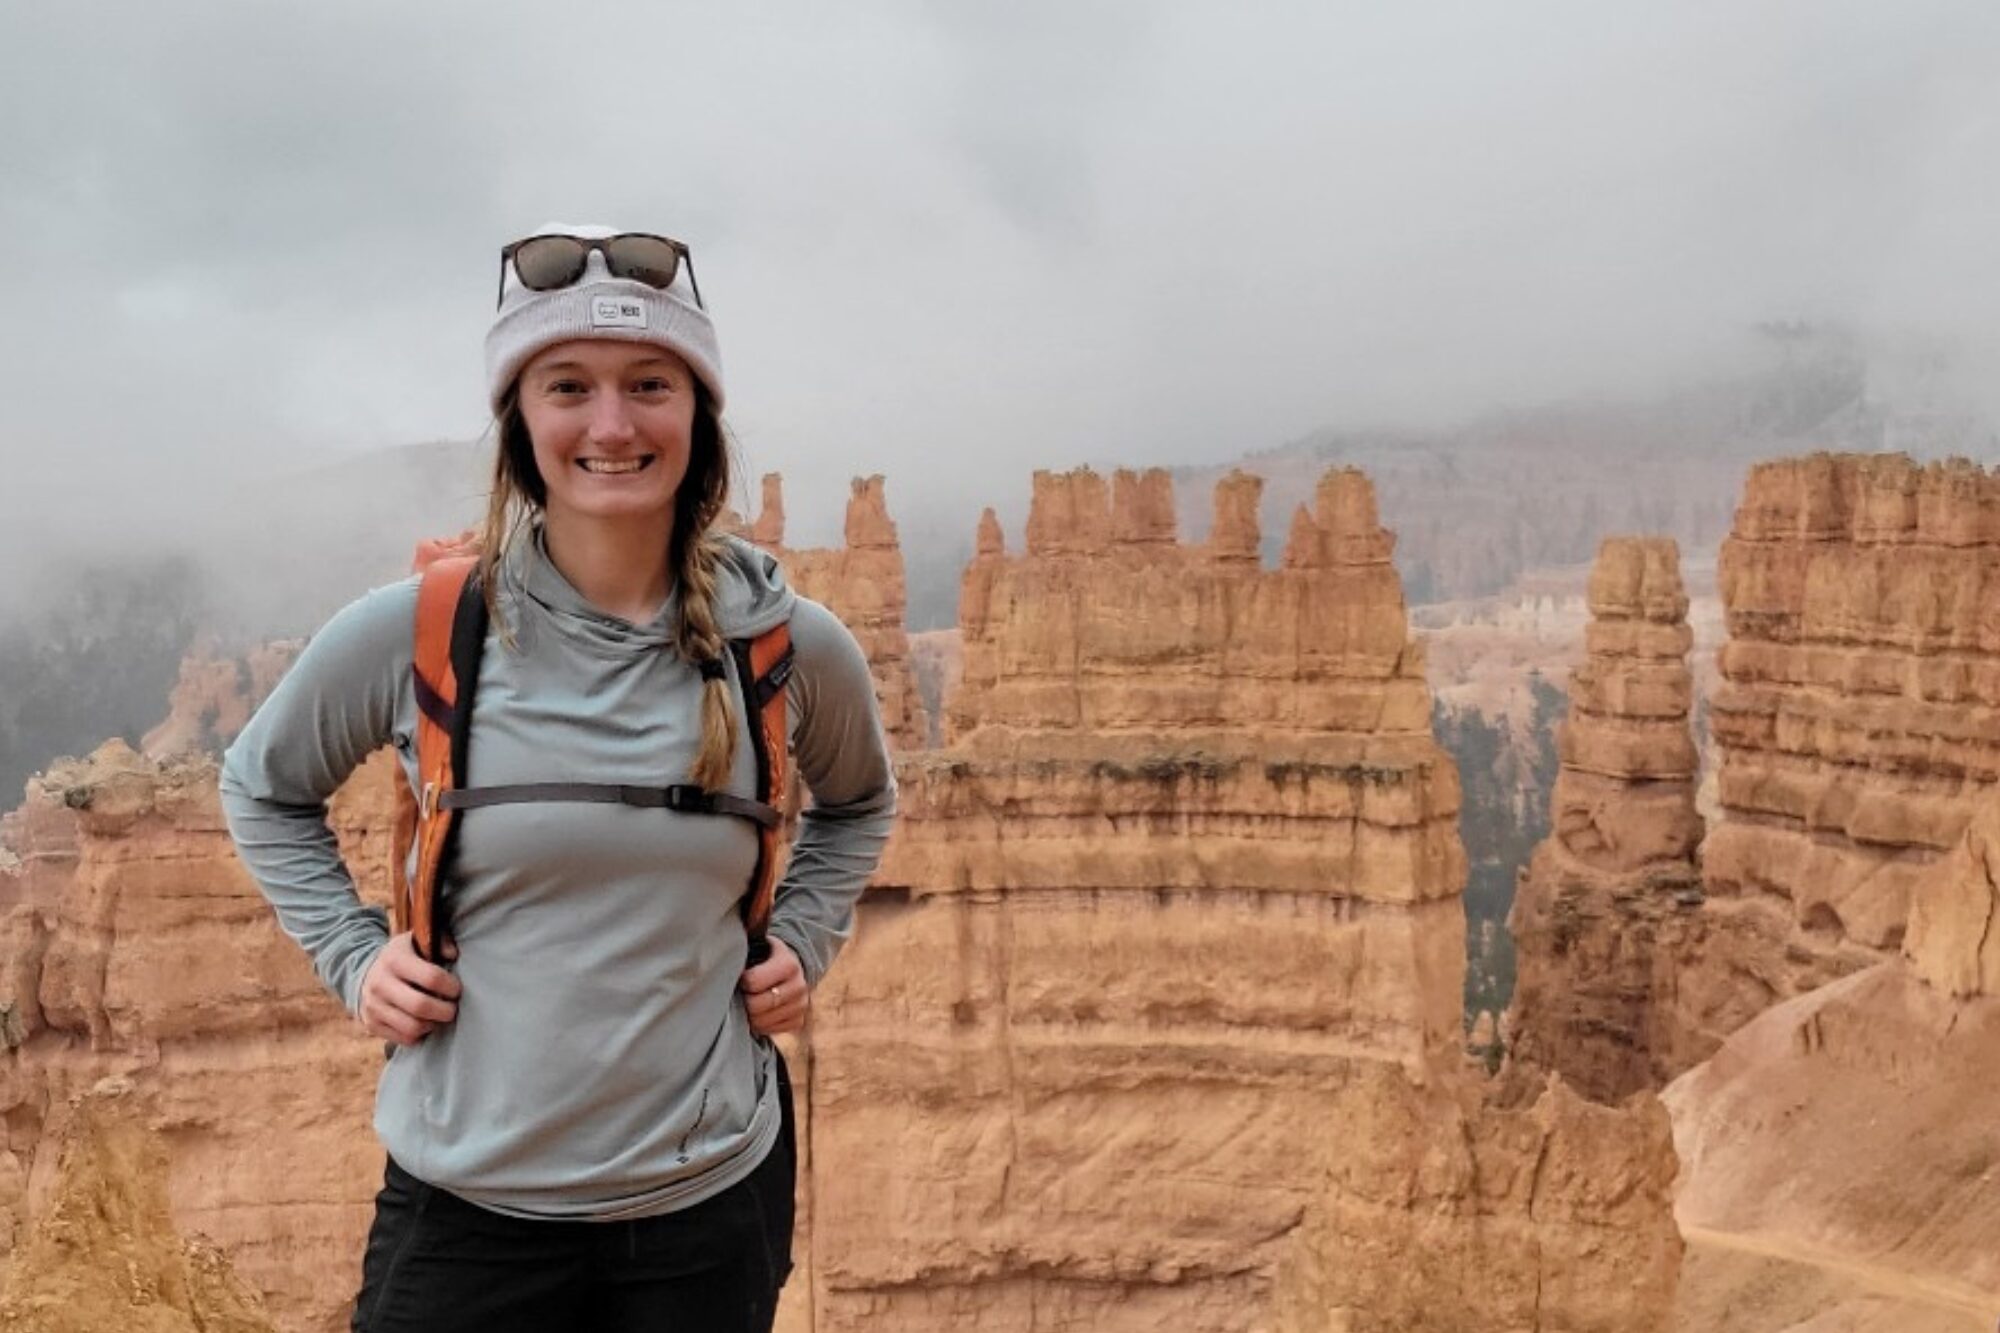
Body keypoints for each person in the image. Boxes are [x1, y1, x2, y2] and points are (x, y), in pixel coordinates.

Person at [219, 223, 897, 1332]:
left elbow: (859, 800)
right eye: (566, 386)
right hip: (467, 1214)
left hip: (707, 1208)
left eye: (650, 385)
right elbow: (261, 786)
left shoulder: (780, 643)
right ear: (519, 421)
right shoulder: (422, 629)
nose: (612, 424)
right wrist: (352, 961)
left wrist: (804, 939)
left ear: (699, 416)